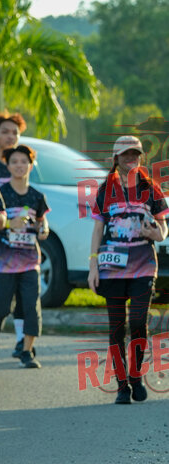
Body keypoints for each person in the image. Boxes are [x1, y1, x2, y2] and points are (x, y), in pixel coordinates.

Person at [88, 135, 169, 404]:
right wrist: (93, 266)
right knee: (116, 327)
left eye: (135, 153)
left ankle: (136, 375)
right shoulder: (105, 189)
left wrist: (156, 233)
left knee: (137, 323)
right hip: (111, 267)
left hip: (144, 266)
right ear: (116, 159)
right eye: (126, 154)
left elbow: (163, 228)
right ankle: (122, 385)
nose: (131, 158)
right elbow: (97, 229)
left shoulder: (151, 188)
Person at [0, 145, 50, 368]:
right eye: (14, 161)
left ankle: (27, 351)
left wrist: (43, 229)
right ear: (8, 165)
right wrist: (8, 224)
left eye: (24, 161)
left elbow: (42, 220)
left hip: (30, 262)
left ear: (31, 166)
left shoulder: (37, 196)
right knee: (1, 308)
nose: (19, 166)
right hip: (3, 263)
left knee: (31, 307)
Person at [0, 110, 29, 359]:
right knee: (0, 301)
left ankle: (23, 346)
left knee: (24, 296)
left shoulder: (23, 162)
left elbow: (30, 197)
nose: (11, 136)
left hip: (21, 241)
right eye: (5, 132)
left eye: (15, 132)